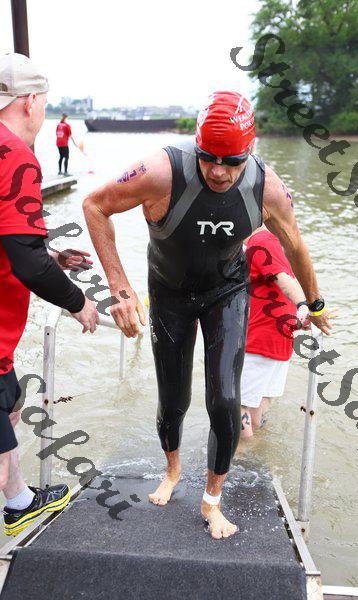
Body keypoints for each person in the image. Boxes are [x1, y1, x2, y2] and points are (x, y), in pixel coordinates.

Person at [83, 90, 334, 540]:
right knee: (173, 399)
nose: (218, 171)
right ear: (196, 147)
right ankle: (173, 470)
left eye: (231, 161)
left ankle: (212, 499)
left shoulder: (266, 187)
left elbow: (294, 243)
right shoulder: (161, 172)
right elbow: (95, 205)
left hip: (227, 292)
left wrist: (313, 303)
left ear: (250, 151)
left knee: (225, 399)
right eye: (208, 158)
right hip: (170, 294)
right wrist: (120, 289)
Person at [0, 53, 99, 537]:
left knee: (12, 404)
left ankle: (19, 503)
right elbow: (26, 263)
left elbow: (16, 244)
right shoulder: (16, 155)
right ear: (31, 101)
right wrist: (79, 302)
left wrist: (51, 254)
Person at [240, 226, 337, 438]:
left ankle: (242, 454)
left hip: (258, 343)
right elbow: (280, 287)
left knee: (239, 407)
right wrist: (300, 317)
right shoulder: (277, 243)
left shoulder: (262, 240)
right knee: (256, 412)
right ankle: (255, 452)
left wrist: (303, 308)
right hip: (278, 341)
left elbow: (282, 280)